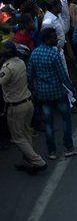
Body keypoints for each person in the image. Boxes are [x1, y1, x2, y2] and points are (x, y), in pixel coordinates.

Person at [28, 28, 77, 160]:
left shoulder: (34, 53)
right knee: (66, 119)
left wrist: (33, 89)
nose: (56, 39)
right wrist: (71, 88)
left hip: (43, 93)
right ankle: (69, 147)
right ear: (46, 39)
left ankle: (51, 151)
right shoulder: (54, 54)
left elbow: (30, 75)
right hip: (57, 92)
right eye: (53, 37)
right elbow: (62, 75)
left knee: (49, 122)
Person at [1, 41, 47, 173]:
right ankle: (29, 160)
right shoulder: (20, 62)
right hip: (27, 103)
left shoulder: (7, 68)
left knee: (18, 137)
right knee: (26, 133)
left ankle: (38, 161)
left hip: (16, 106)